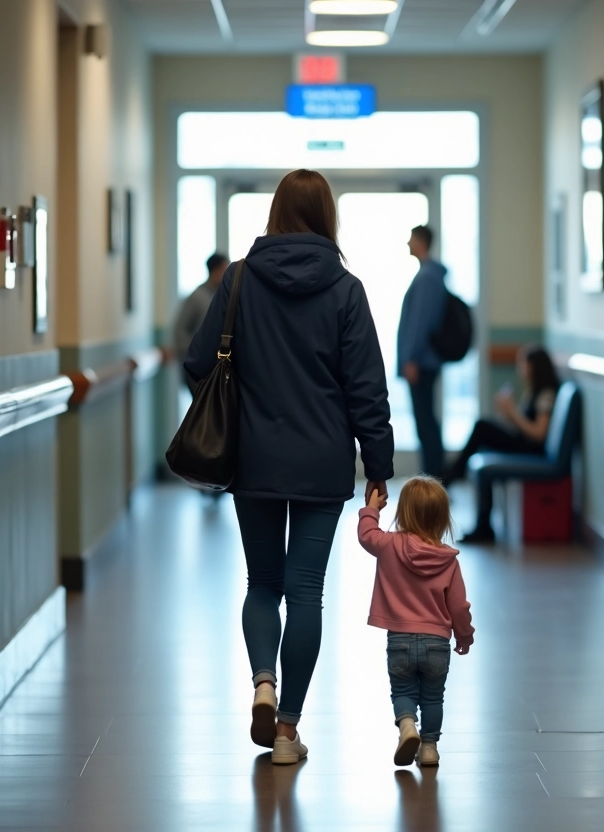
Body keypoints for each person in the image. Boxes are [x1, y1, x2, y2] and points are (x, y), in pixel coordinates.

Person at [184, 169, 394, 766]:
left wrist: (244, 399)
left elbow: (198, 360)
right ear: (328, 216)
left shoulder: (239, 281)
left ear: (275, 213)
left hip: (251, 458)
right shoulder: (347, 290)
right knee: (305, 593)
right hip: (323, 461)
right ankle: (286, 729)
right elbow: (366, 389)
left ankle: (262, 682)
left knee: (262, 585)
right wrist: (378, 464)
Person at [357, 476, 474, 768]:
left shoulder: (388, 545)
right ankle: (430, 747)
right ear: (442, 518)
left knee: (403, 691)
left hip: (399, 640)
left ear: (404, 512)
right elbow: (459, 607)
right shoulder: (449, 561)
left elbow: (366, 534)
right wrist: (464, 637)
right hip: (437, 643)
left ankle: (407, 726)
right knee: (434, 697)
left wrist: (371, 507)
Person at [445, 345, 561, 544]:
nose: (520, 369)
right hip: (524, 444)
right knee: (484, 442)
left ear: (535, 366)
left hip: (531, 449)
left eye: (523, 364)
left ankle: (454, 473)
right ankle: (482, 522)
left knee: (482, 427)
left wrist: (513, 414)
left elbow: (539, 434)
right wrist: (509, 415)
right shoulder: (534, 390)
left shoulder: (546, 394)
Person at [397, 226, 448, 479]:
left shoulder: (427, 277)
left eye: (411, 239)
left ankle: (433, 480)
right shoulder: (430, 275)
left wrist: (411, 358)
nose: (408, 243)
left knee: (425, 423)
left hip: (422, 362)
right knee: (427, 421)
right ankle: (434, 477)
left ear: (421, 242)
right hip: (426, 361)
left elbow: (420, 322)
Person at [173, 252, 230, 378]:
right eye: (224, 269)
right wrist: (194, 355)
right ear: (215, 271)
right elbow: (180, 330)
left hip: (218, 365)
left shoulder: (225, 296)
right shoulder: (197, 297)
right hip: (199, 366)